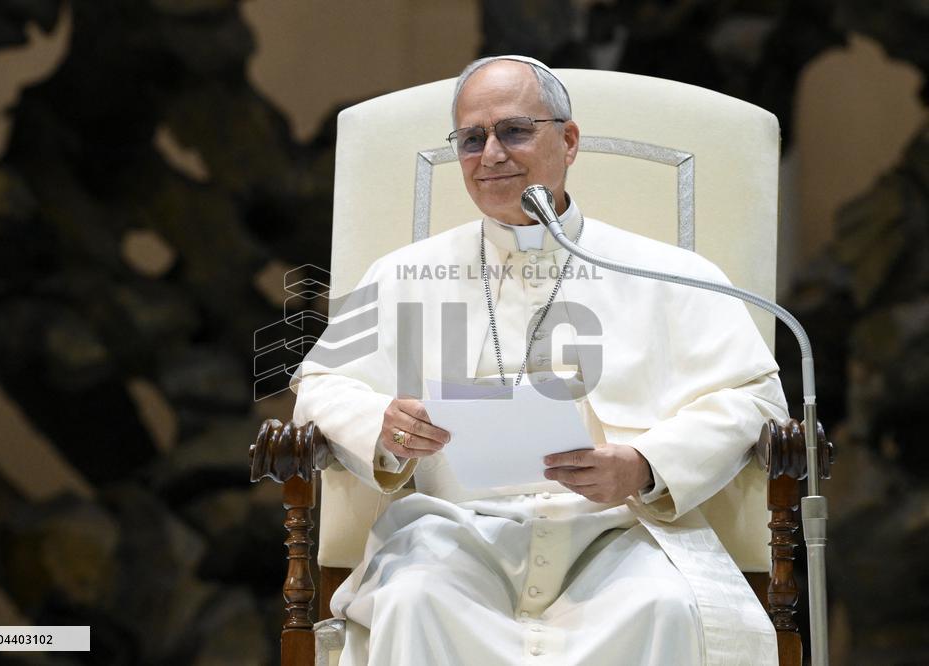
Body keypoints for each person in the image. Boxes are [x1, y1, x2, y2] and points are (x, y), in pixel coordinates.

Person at [292, 55, 788, 665]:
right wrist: (384, 425)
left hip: (621, 534)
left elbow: (754, 397)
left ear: (569, 140)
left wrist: (645, 464)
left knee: (662, 607)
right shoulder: (402, 274)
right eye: (472, 139)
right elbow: (320, 384)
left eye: (515, 131)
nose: (491, 154)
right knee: (412, 599)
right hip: (452, 532)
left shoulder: (667, 273)